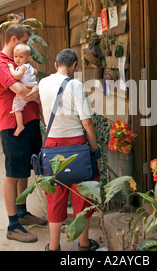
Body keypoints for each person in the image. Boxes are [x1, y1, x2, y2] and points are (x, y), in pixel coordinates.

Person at [0, 23, 47, 243]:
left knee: (25, 170)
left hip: (30, 121)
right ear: (14, 40)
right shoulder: (0, 63)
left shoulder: (19, 62)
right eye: (23, 42)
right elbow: (22, 90)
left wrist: (37, 89)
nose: (26, 47)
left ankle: (22, 213)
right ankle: (12, 225)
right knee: (13, 173)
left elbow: (36, 86)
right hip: (13, 126)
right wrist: (36, 90)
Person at [39, 48, 101, 251]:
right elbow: (87, 123)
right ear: (74, 65)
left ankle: (54, 246)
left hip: (52, 146)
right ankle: (83, 243)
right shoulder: (74, 84)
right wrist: (95, 150)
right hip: (77, 146)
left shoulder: (43, 83)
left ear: (56, 65)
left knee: (55, 198)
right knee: (82, 196)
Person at [7, 43, 40, 137]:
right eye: (15, 56)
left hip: (26, 89)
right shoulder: (29, 66)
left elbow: (16, 76)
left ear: (28, 58)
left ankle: (20, 125)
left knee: (16, 108)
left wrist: (11, 68)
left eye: (21, 57)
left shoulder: (22, 67)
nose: (17, 59)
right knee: (40, 104)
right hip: (34, 86)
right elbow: (36, 72)